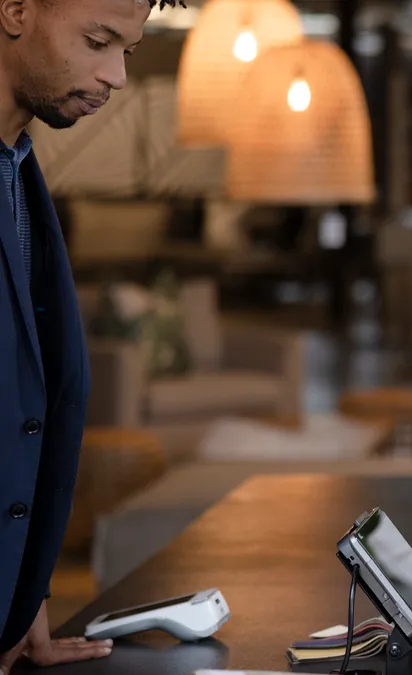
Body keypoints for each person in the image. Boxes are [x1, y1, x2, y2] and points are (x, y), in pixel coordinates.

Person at [0, 1, 179, 672]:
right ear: (15, 10)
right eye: (98, 41)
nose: (117, 76)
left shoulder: (14, 169)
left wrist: (19, 597)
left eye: (126, 52)